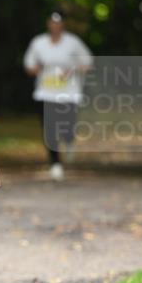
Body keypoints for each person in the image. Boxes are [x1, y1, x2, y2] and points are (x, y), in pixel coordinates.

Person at [23, 11, 93, 181]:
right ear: (48, 24)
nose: (55, 26)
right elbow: (29, 65)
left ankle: (69, 140)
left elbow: (88, 62)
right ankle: (55, 164)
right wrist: (36, 69)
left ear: (63, 24)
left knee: (67, 125)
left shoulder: (73, 42)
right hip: (45, 93)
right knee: (49, 128)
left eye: (58, 22)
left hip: (68, 93)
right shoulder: (38, 42)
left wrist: (74, 69)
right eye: (52, 22)